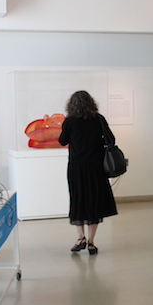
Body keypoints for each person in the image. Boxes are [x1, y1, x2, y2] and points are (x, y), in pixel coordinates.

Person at [58, 91, 118, 255]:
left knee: (78, 199)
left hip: (77, 167)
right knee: (94, 201)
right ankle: (91, 242)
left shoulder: (69, 121)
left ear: (71, 105)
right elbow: (111, 139)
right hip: (96, 167)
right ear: (91, 103)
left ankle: (80, 238)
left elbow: (62, 141)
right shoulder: (98, 119)